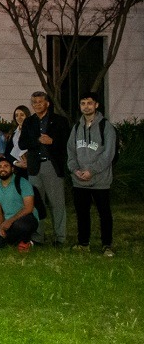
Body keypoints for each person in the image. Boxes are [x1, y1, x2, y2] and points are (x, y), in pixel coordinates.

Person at [67, 92, 118, 256]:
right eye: (83, 103)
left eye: (89, 103)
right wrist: (75, 170)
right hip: (79, 180)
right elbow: (70, 152)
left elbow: (108, 154)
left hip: (100, 179)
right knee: (82, 213)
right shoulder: (76, 127)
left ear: (96, 105)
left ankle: (107, 245)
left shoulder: (106, 127)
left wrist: (92, 171)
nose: (86, 106)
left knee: (104, 213)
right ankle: (83, 243)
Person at [20, 90, 71, 246]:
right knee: (36, 204)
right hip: (35, 167)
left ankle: (60, 238)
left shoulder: (60, 121)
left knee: (57, 203)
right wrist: (38, 141)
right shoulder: (29, 122)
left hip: (52, 165)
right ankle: (37, 237)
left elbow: (67, 143)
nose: (36, 105)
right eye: (34, 103)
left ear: (47, 103)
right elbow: (22, 143)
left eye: (40, 102)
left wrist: (52, 141)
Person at [0, 157, 39, 253]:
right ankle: (18, 241)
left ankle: (26, 241)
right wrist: (1, 226)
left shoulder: (22, 182)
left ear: (12, 168)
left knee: (20, 226)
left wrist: (9, 221)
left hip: (26, 218)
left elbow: (29, 208)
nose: (2, 169)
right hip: (8, 221)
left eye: (6, 166)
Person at [6, 105, 31, 175]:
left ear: (27, 116)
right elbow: (8, 152)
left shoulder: (33, 131)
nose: (19, 118)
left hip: (31, 169)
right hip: (17, 169)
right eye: (16, 115)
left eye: (22, 115)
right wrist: (16, 163)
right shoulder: (13, 133)